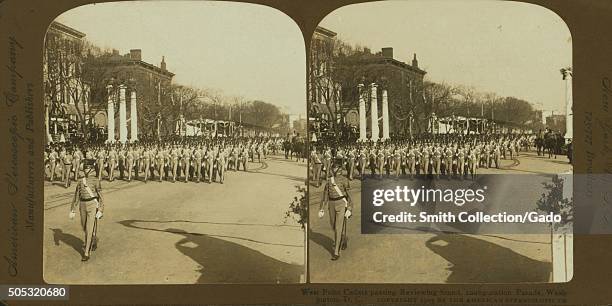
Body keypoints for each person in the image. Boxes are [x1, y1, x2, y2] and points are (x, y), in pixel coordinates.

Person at [70, 159, 104, 261]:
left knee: (89, 229)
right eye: (84, 168)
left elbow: (101, 196)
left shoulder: (96, 181)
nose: (85, 170)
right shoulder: (81, 181)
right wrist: (72, 210)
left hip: (92, 205)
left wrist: (101, 209)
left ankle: (86, 253)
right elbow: (76, 196)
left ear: (91, 169)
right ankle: (93, 240)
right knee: (84, 226)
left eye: (87, 168)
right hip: (82, 205)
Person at [318, 162, 353, 261]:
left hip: (341, 204)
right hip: (331, 204)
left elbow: (349, 196)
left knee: (338, 228)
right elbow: (325, 196)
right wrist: (321, 208)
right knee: (333, 225)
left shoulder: (345, 180)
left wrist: (349, 208)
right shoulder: (329, 181)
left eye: (336, 168)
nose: (334, 170)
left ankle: (336, 252)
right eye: (334, 168)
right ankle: (343, 238)